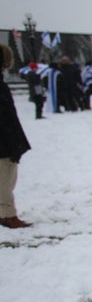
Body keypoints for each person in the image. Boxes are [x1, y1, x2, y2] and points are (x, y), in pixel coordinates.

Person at [1, 45, 33, 228]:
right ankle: (6, 214)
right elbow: (6, 117)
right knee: (5, 177)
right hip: (4, 141)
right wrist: (15, 142)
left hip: (5, 138)